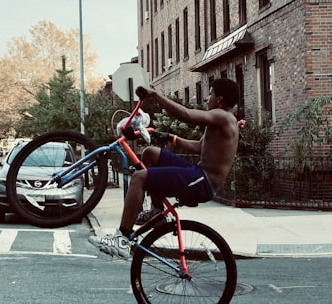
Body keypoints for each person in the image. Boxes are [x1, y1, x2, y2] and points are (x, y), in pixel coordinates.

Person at [90, 78, 240, 258]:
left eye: (210, 94)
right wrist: (170, 138)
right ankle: (157, 212)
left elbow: (186, 115)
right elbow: (199, 147)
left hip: (202, 181)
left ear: (220, 98)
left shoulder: (223, 116)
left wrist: (155, 95)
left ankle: (122, 239)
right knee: (150, 154)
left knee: (139, 178)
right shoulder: (222, 120)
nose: (207, 98)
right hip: (198, 174)